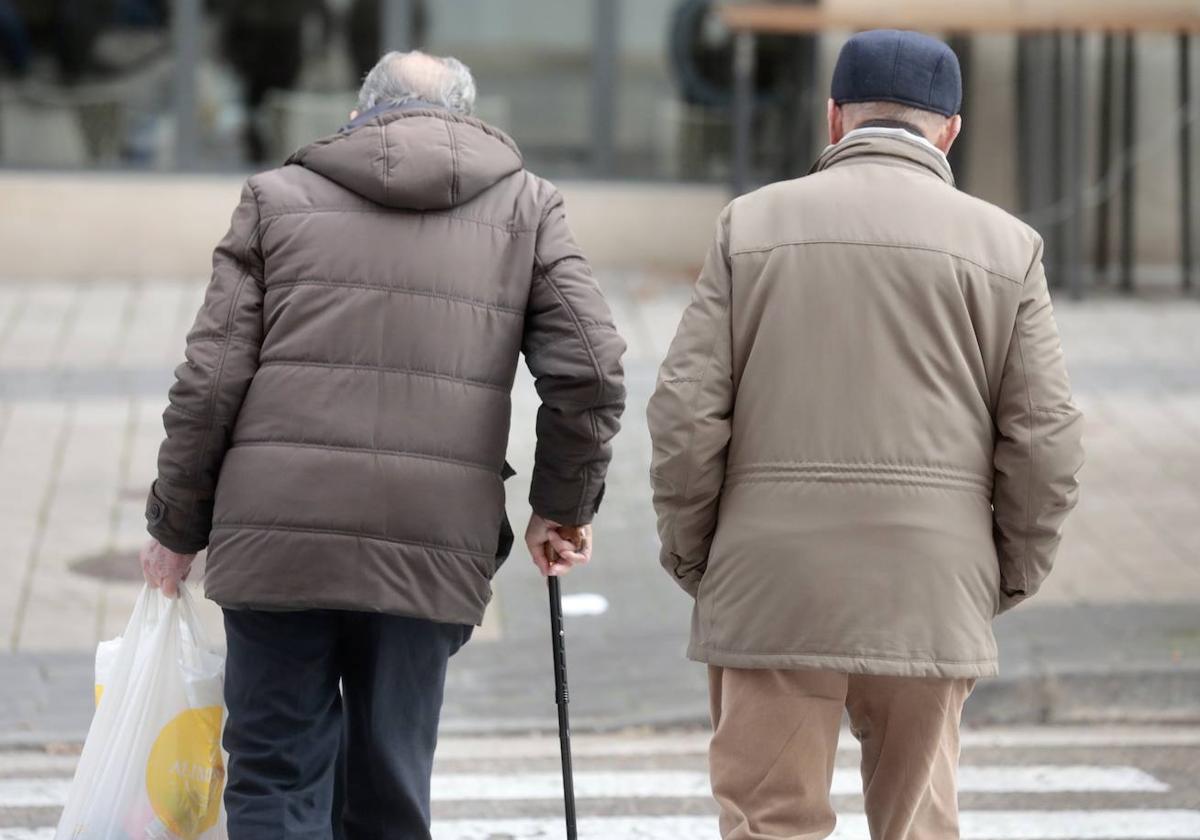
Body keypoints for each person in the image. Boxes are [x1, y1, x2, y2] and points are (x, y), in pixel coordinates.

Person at [139, 50, 626, 838]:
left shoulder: (276, 199)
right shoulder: (528, 209)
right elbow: (594, 369)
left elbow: (211, 379)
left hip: (279, 536)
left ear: (362, 111)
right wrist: (558, 508)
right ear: (466, 119)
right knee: (388, 783)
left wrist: (174, 528)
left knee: (273, 776)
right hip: (430, 539)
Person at [647, 29, 1084, 840]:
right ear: (950, 128)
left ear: (834, 118)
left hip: (773, 577)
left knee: (770, 821)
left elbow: (684, 415)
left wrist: (696, 554)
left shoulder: (750, 225)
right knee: (918, 825)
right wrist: (1005, 574)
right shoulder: (1007, 246)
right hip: (932, 580)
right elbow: (1046, 438)